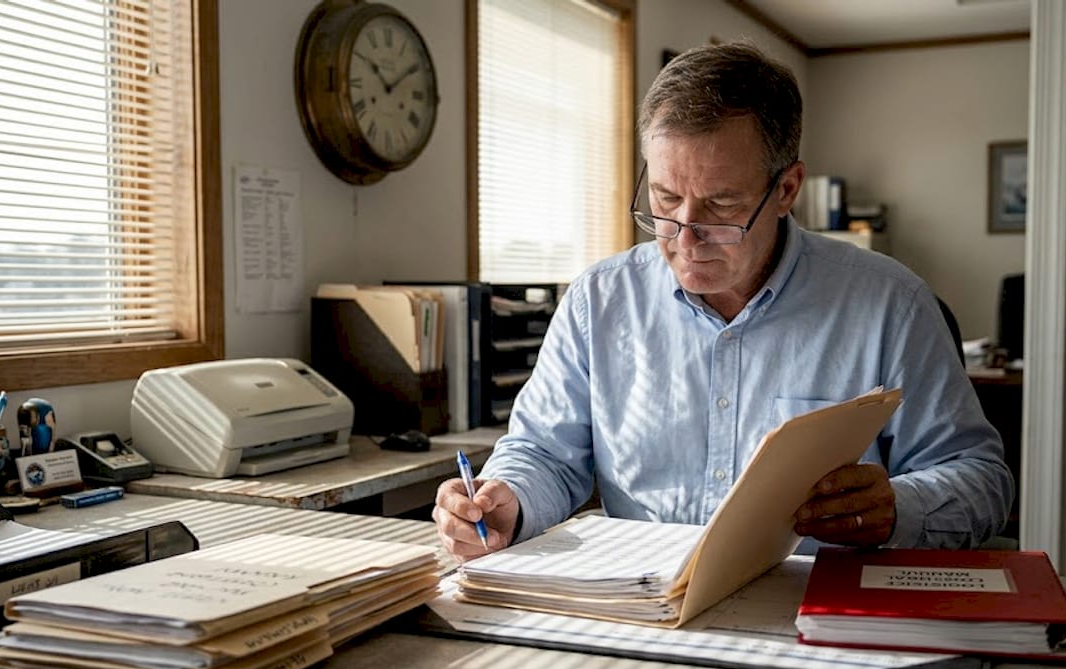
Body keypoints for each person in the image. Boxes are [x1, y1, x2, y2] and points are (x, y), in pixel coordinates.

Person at [434, 41, 1012, 561]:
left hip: (813, 614)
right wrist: (505, 497)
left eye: (722, 206)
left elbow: (983, 481)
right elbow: (543, 453)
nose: (684, 235)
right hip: (643, 610)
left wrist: (899, 506)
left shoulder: (892, 305)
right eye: (664, 198)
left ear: (786, 190)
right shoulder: (598, 301)